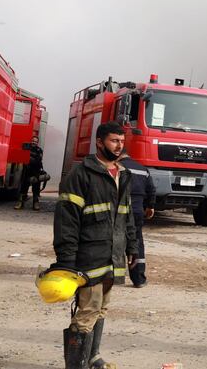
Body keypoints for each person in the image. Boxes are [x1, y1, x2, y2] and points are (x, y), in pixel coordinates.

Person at [53, 121, 138, 369]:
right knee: (87, 312)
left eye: (122, 141)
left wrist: (132, 247)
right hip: (88, 256)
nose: (119, 145)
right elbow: (67, 220)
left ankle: (93, 357)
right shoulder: (81, 174)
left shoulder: (123, 173)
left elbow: (127, 215)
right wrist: (66, 259)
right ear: (99, 143)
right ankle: (76, 365)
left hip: (113, 255)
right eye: (114, 140)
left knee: (102, 309)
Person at [118, 153, 156, 288]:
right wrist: (150, 206)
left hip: (119, 211)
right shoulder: (143, 169)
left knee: (114, 242)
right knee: (137, 243)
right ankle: (139, 279)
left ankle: (110, 277)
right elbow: (151, 190)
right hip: (137, 211)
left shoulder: (117, 167)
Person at [15, 136, 43, 210]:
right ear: (31, 141)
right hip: (26, 171)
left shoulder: (39, 150)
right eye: (33, 141)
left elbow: (38, 161)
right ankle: (20, 202)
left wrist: (29, 159)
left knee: (36, 188)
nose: (34, 142)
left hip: (36, 172)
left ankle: (35, 203)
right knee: (24, 187)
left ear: (37, 143)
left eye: (36, 141)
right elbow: (21, 156)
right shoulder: (27, 148)